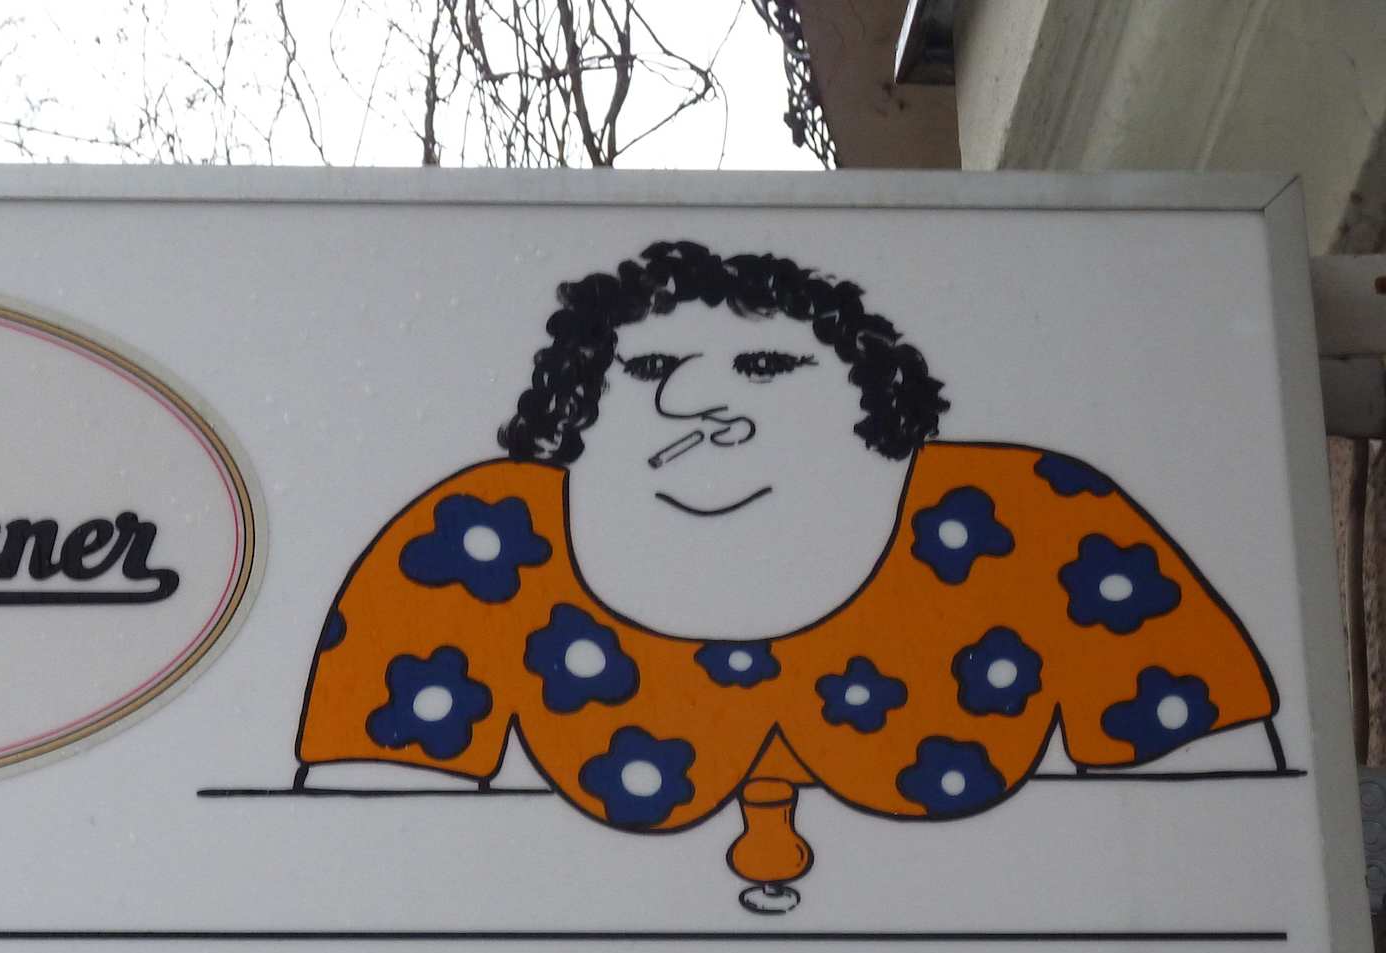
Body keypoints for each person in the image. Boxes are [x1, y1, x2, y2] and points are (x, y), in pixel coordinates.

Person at [293, 240, 1279, 912]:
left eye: (765, 366)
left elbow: (1237, 843)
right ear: (574, 403)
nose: (694, 399)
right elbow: (349, 880)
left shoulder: (1037, 519)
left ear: (874, 397)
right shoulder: (476, 545)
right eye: (648, 370)